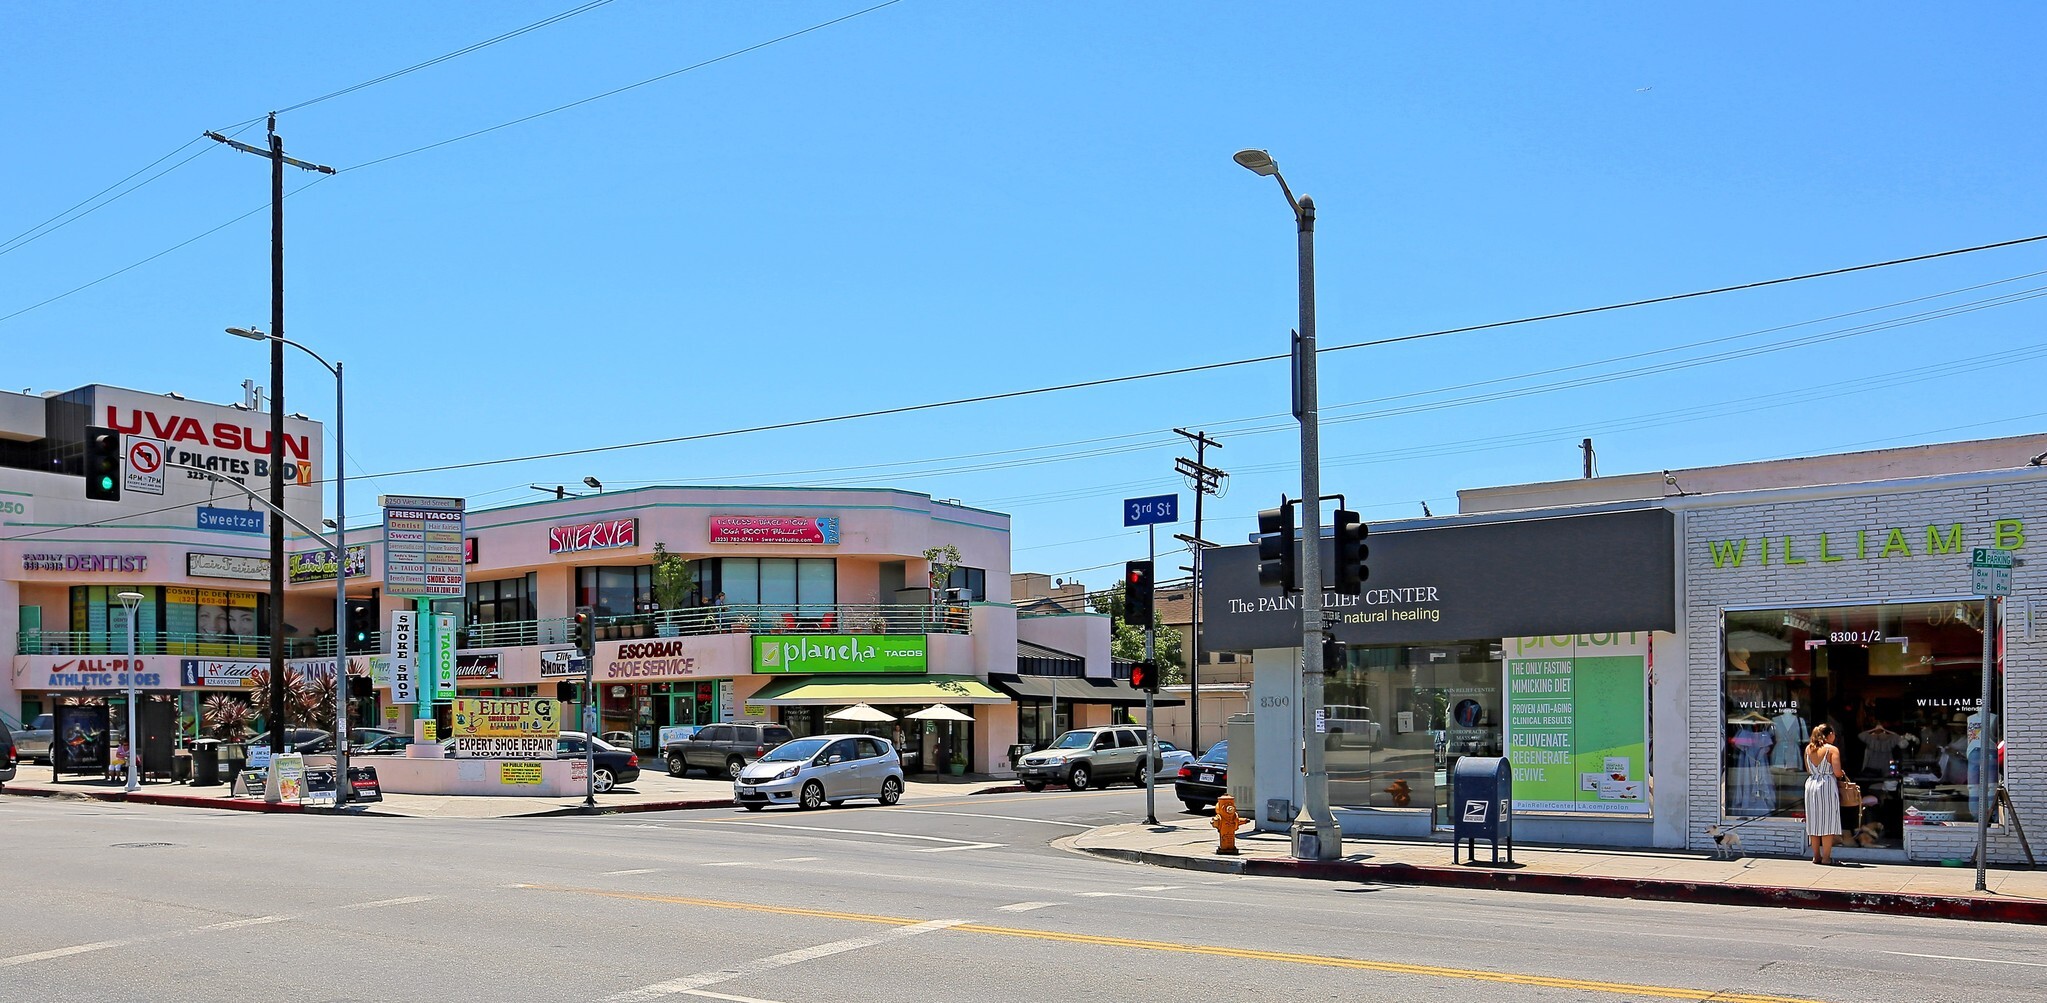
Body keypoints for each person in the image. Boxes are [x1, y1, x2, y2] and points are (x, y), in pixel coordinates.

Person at [1804, 724, 1846, 865]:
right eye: (1833, 734)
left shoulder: (1808, 749)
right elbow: (1837, 772)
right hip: (1826, 784)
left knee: (1814, 821)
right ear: (1829, 734)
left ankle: (1816, 856)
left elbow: (1808, 769)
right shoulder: (1832, 749)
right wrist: (1842, 774)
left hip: (1811, 784)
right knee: (1827, 821)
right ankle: (1827, 857)